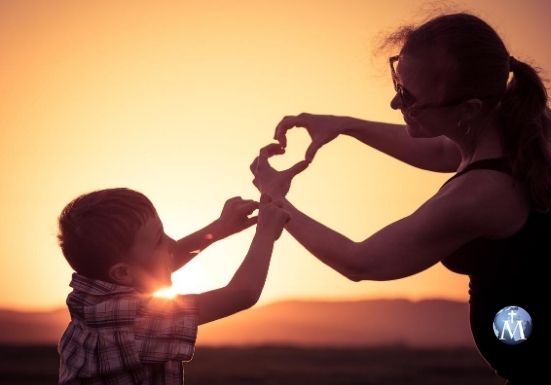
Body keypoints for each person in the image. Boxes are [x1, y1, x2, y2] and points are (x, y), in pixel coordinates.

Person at [250, 12, 550, 384]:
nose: (396, 103)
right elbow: (442, 150)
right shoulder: (518, 127)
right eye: (399, 82)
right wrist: (345, 125)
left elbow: (360, 262)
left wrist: (275, 201)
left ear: (468, 109)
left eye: (409, 97)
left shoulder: (481, 194)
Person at [57, 187, 289, 385]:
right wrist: (265, 232)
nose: (171, 243)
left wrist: (219, 229)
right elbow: (242, 294)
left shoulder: (89, 297)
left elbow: (153, 266)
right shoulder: (134, 319)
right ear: (122, 272)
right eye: (159, 240)